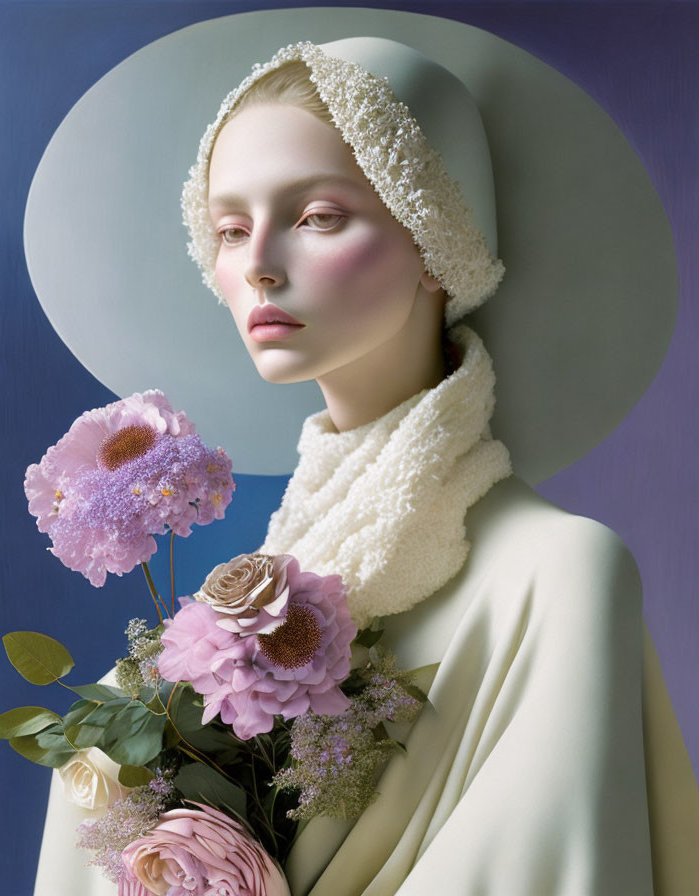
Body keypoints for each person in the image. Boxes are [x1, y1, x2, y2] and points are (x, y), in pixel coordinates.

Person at [34, 37, 699, 896]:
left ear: (437, 239)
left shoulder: (561, 574)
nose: (259, 264)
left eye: (316, 217)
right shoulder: (190, 644)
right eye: (230, 229)